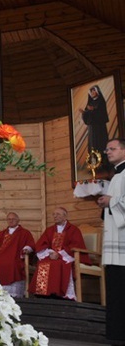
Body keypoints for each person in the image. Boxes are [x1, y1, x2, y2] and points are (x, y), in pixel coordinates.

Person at [97, 138, 125, 344]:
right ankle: (115, 333)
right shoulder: (117, 175)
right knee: (115, 289)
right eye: (107, 149)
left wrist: (111, 201)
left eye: (112, 148)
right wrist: (106, 203)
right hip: (115, 242)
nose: (107, 152)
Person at [28, 206, 89, 300]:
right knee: (43, 263)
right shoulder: (50, 230)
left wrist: (59, 254)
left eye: (58, 214)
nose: (55, 216)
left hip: (66, 257)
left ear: (65, 216)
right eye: (54, 214)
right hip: (51, 255)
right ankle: (42, 293)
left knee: (59, 264)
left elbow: (75, 246)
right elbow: (42, 243)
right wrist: (49, 252)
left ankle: (59, 294)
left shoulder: (73, 230)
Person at [0, 212, 35, 298]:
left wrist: (27, 249)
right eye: (9, 219)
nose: (11, 221)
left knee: (12, 264)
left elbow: (30, 244)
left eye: (13, 219)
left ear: (18, 220)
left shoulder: (25, 233)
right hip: (0, 256)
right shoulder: (3, 233)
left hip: (15, 257)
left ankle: (13, 293)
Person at [80, 85, 109, 155]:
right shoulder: (90, 103)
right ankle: (94, 161)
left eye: (94, 90)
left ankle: (104, 160)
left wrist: (94, 110)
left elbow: (102, 113)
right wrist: (84, 113)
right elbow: (87, 116)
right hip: (92, 128)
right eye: (91, 91)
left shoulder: (101, 101)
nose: (92, 92)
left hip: (99, 127)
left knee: (101, 143)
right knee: (92, 143)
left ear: (97, 91)